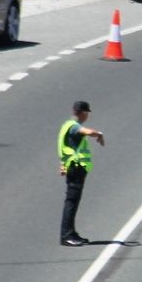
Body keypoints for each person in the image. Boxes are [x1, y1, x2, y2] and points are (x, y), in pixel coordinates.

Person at [57, 101, 105, 246]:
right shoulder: (73, 126)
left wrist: (63, 164)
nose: (87, 116)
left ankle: (71, 232)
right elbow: (87, 132)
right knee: (71, 202)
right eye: (87, 113)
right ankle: (66, 235)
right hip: (76, 168)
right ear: (83, 113)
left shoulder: (67, 125)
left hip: (73, 168)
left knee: (72, 201)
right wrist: (99, 134)